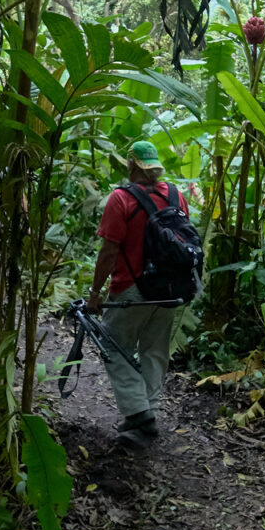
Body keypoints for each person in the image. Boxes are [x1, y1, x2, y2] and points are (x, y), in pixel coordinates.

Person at [87, 141, 190, 449]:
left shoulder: (121, 199)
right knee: (155, 351)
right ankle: (147, 413)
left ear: (131, 165)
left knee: (113, 345)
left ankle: (139, 413)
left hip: (131, 287)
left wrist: (95, 292)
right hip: (170, 289)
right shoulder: (176, 195)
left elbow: (109, 252)